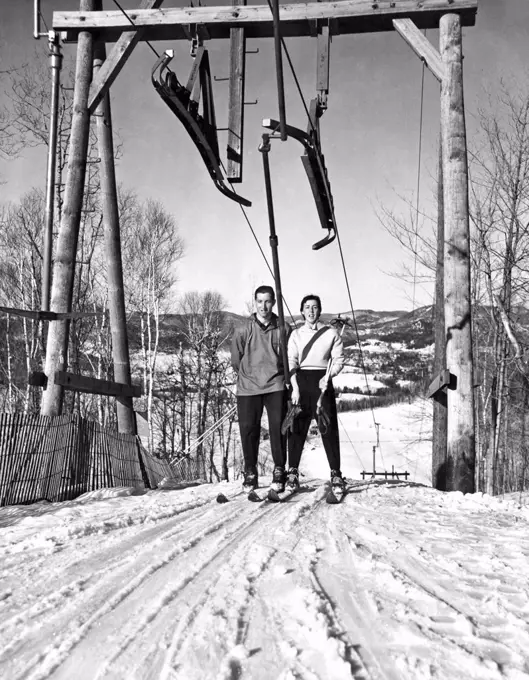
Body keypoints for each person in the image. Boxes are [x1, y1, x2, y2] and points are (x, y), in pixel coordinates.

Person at [231, 285, 290, 491]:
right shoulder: (243, 329)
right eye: (259, 301)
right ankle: (250, 472)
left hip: (275, 384)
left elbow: (289, 357)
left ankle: (279, 469)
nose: (263, 306)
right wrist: (248, 376)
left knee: (278, 427)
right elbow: (236, 360)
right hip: (248, 387)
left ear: (273, 302)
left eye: (267, 301)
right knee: (248, 429)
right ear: (254, 302)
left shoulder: (283, 328)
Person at [286, 294, 345, 492]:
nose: (311, 311)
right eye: (307, 307)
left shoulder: (331, 333)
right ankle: (292, 473)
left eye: (315, 307)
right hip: (301, 383)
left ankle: (336, 473)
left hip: (323, 383)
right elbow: (291, 361)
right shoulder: (295, 335)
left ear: (320, 310)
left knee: (328, 428)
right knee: (296, 429)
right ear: (301, 311)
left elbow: (338, 360)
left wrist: (329, 376)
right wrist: (294, 386)